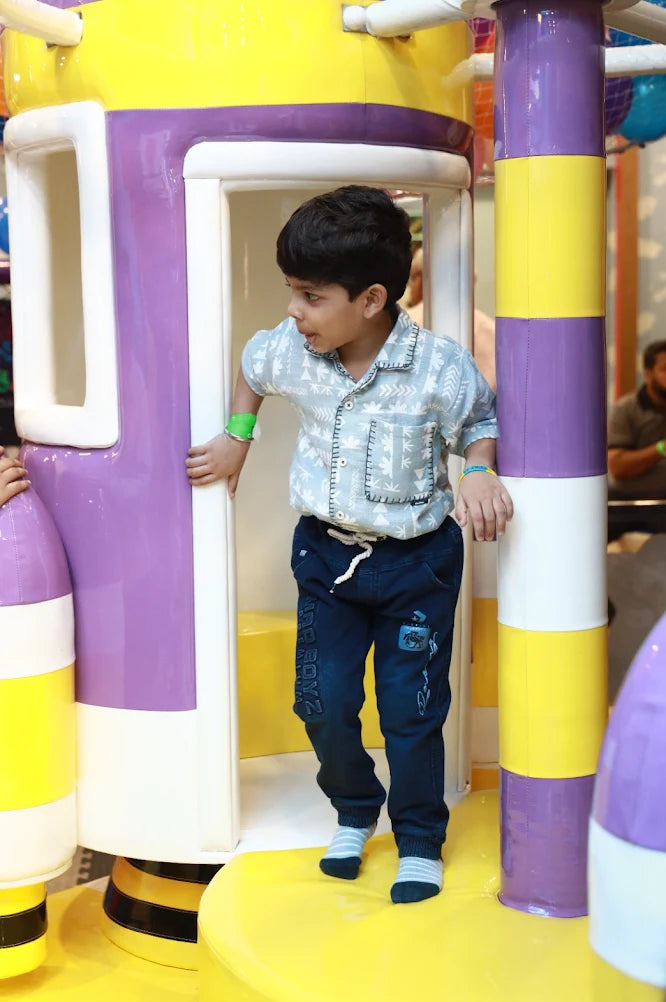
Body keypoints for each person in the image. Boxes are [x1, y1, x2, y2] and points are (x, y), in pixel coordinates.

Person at [186, 186, 513, 904]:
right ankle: (356, 809)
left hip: (417, 564)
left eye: (310, 296)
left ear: (370, 299)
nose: (294, 311)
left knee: (412, 708)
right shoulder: (293, 349)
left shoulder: (437, 367)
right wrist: (238, 438)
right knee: (321, 702)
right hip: (327, 557)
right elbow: (251, 368)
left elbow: (477, 418)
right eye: (291, 293)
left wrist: (481, 469)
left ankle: (420, 835)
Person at [406, 246, 496, 390]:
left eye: (412, 278)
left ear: (423, 279)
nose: (411, 288)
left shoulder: (406, 324)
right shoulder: (493, 332)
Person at [608, 339, 666, 499]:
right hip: (629, 504)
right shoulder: (625, 409)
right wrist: (664, 448)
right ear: (648, 374)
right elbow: (617, 467)